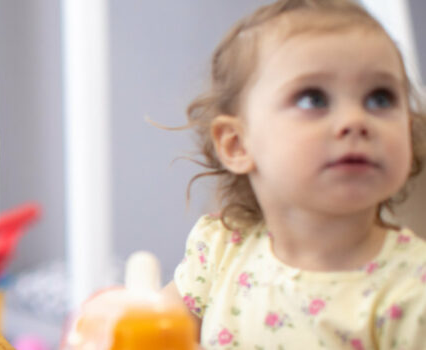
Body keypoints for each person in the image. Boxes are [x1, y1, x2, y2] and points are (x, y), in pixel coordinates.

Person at [165, 0, 426, 348]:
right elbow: (150, 332)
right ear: (237, 144)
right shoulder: (219, 251)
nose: (355, 121)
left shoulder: (413, 289)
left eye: (380, 98)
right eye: (313, 99)